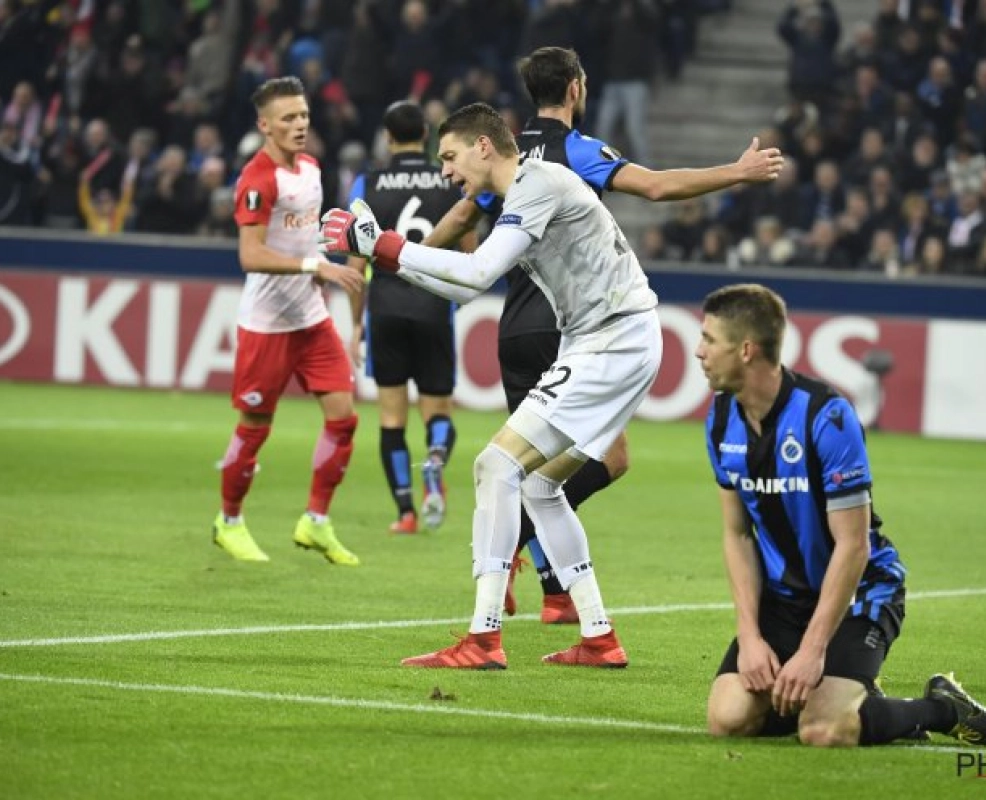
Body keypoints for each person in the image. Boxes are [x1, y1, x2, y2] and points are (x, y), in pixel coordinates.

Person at [421, 46, 784, 625]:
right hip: (571, 325)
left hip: (514, 327)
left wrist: (405, 257)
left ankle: (557, 595)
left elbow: (463, 218)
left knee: (527, 469)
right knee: (588, 462)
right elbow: (658, 187)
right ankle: (518, 560)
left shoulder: (505, 155)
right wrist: (736, 173)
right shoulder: (573, 152)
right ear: (575, 88)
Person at [319, 101, 661, 669]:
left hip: (612, 338)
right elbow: (465, 290)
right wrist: (385, 256)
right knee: (539, 488)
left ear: (483, 146)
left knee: (495, 466)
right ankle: (599, 636)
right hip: (604, 338)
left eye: (450, 157)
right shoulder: (523, 192)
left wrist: (384, 244)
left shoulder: (538, 183)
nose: (446, 172)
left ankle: (483, 639)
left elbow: (477, 272)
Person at [697, 283, 986, 746]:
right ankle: (853, 697)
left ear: (746, 350)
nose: (699, 352)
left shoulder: (826, 417)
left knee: (823, 731)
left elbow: (853, 544)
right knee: (728, 719)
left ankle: (942, 709)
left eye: (708, 340)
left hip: (860, 590)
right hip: (784, 601)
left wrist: (812, 650)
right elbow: (738, 536)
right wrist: (750, 637)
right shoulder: (721, 420)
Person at [212, 76, 365, 566]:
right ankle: (228, 521)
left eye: (303, 115)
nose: (300, 124)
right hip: (266, 324)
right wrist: (313, 267)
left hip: (310, 316)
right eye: (288, 118)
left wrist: (325, 255)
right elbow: (250, 254)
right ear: (265, 126)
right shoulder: (257, 179)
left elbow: (304, 237)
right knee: (255, 426)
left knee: (343, 418)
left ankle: (316, 521)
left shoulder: (313, 169)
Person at [345, 101, 476, 535]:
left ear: (387, 136)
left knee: (391, 416)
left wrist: (356, 322)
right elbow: (470, 251)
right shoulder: (450, 177)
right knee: (438, 410)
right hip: (433, 304)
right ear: (426, 134)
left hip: (385, 306)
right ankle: (434, 463)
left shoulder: (368, 182)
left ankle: (404, 513)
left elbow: (354, 262)